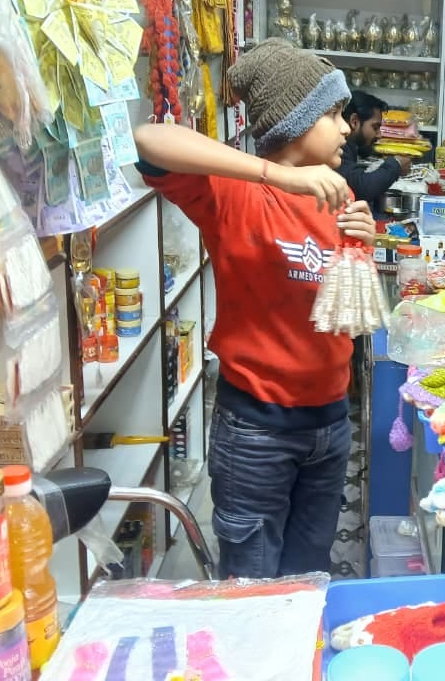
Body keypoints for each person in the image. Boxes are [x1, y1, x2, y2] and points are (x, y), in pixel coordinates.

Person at [131, 39, 375, 580]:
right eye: (332, 113)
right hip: (257, 430)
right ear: (295, 121)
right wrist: (276, 176)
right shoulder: (236, 195)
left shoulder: (338, 199)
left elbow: (348, 322)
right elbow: (150, 139)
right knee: (252, 582)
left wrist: (364, 249)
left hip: (332, 425)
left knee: (308, 575)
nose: (343, 127)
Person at [339, 90, 412, 210]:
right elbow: (360, 189)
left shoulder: (349, 146)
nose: (379, 135)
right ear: (354, 121)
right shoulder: (339, 146)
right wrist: (396, 164)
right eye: (375, 127)